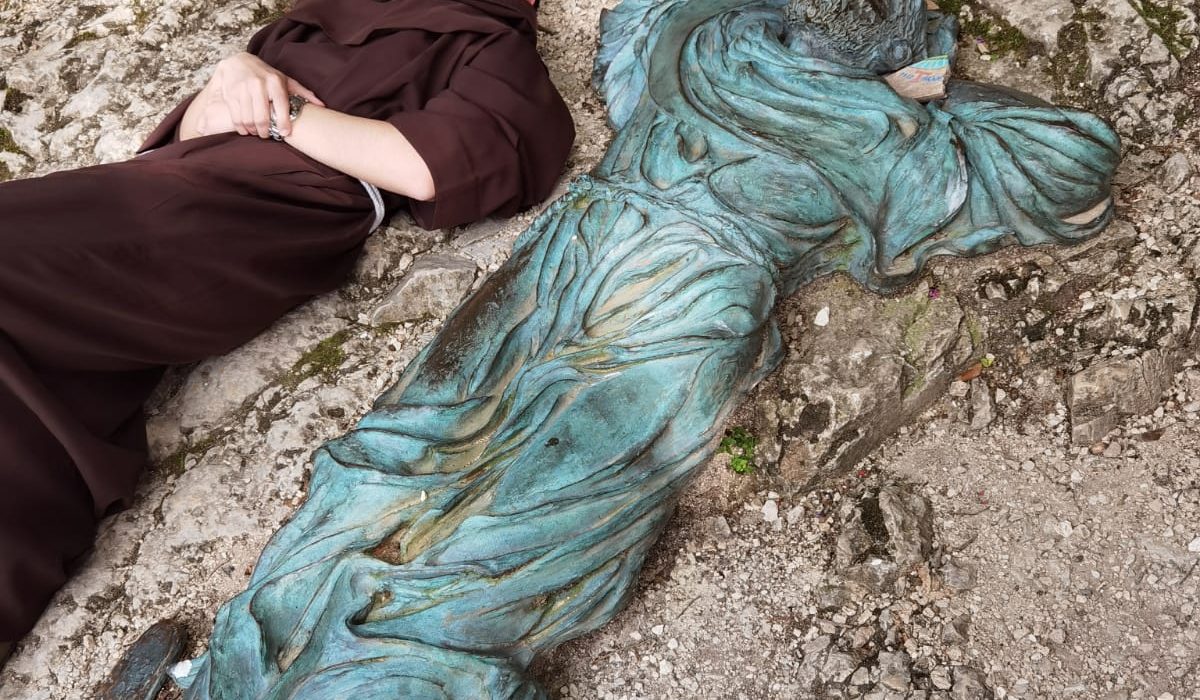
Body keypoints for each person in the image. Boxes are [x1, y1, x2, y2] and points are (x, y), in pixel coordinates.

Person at [0, 0, 574, 664]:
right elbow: (195, 133)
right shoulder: (315, 19)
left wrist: (286, 114)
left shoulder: (493, 47)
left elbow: (428, 168)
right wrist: (234, 74)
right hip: (155, 186)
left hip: (251, 211)